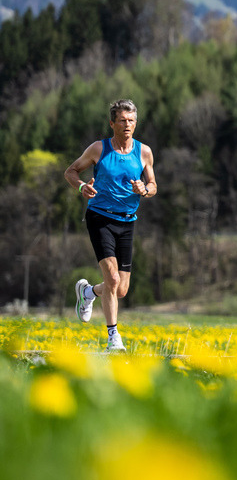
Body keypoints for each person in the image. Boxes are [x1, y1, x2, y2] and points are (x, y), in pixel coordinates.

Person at [64, 99, 157, 352]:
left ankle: (88, 293)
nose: (127, 125)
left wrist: (144, 189)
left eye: (131, 121)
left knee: (121, 289)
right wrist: (83, 186)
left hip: (128, 222)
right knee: (113, 278)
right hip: (100, 217)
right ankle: (113, 339)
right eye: (122, 121)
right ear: (112, 123)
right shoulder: (99, 149)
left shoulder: (144, 152)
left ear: (136, 123)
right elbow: (71, 171)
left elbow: (153, 186)